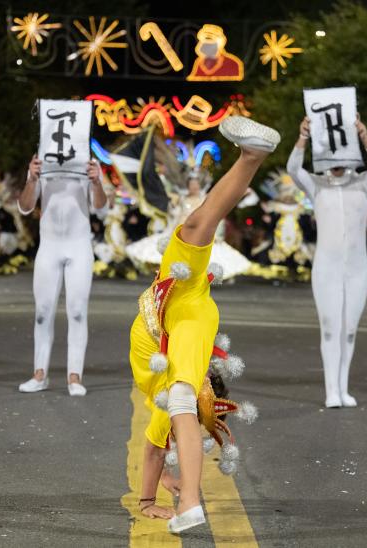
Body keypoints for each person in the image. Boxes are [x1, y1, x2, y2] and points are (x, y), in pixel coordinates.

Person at [129, 116, 279, 533]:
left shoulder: (167, 400)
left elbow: (154, 453)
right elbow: (159, 450)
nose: (204, 392)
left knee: (197, 225)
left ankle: (190, 502)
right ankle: (251, 157)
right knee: (198, 224)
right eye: (206, 393)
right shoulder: (189, 372)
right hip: (186, 302)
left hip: (178, 305)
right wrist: (156, 490)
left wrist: (150, 497)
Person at [287, 115, 367, 408]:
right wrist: (303, 136)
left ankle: (344, 387)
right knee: (330, 328)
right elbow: (293, 168)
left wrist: (364, 135)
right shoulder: (317, 185)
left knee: (350, 329)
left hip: (357, 269)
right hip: (326, 268)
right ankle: (331, 390)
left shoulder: (363, 184)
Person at [17, 158, 107, 396]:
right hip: (49, 245)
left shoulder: (88, 161)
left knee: (77, 311)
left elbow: (101, 207)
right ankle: (39, 374)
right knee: (42, 312)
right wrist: (33, 178)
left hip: (79, 246)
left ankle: (74, 376)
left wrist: (96, 181)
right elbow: (25, 207)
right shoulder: (42, 159)